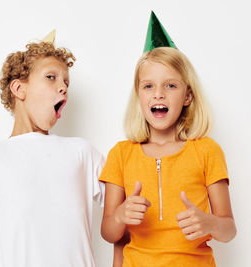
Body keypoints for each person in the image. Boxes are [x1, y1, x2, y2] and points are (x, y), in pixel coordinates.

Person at [0, 31, 105, 267]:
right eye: (51, 77)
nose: (63, 87)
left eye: (66, 82)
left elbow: (121, 210)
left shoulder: (82, 153)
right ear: (19, 89)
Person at [100, 12, 236, 267]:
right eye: (148, 86)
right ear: (138, 95)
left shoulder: (207, 151)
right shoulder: (120, 154)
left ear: (187, 96)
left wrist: (209, 222)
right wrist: (120, 216)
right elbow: (108, 232)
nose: (158, 94)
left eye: (171, 86)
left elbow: (228, 229)